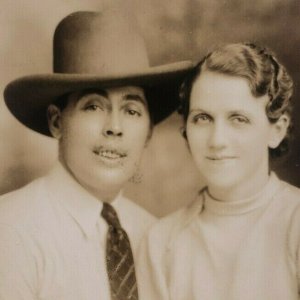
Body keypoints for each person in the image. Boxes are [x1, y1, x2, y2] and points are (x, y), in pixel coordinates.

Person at [0, 6, 192, 300]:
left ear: (149, 132)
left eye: (131, 110)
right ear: (56, 121)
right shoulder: (11, 230)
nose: (115, 127)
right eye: (93, 106)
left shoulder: (155, 237)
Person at [138, 43, 300, 299]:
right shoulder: (161, 243)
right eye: (203, 118)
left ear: (276, 130)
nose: (217, 140)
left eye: (238, 119)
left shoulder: (295, 223)